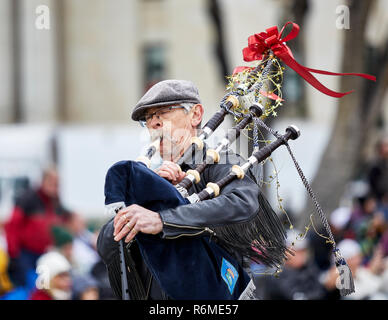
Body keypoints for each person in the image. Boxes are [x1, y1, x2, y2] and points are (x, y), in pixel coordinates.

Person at [97, 79, 286, 300]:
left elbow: (243, 203)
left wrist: (163, 219)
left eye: (162, 113)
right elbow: (106, 246)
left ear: (196, 115)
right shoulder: (153, 181)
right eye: (147, 118)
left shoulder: (221, 163)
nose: (154, 124)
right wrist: (151, 198)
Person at [4, 167, 72, 289]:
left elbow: (61, 224)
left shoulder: (55, 201)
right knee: (31, 286)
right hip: (25, 254)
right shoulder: (27, 198)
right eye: (52, 183)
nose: (55, 187)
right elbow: (12, 226)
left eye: (57, 184)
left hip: (44, 253)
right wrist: (13, 254)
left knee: (45, 286)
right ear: (44, 181)